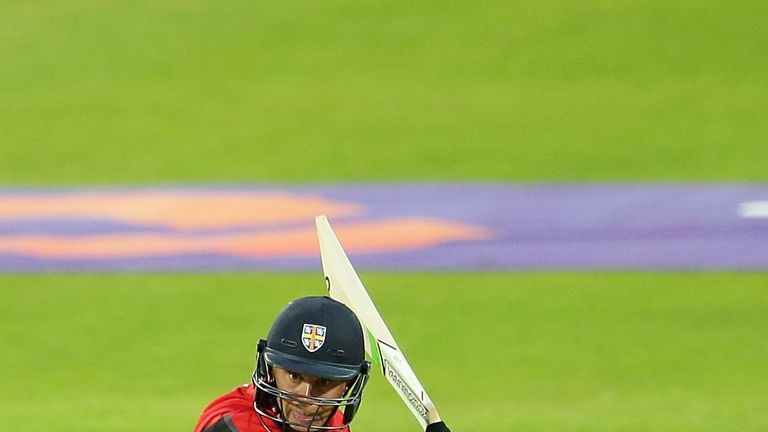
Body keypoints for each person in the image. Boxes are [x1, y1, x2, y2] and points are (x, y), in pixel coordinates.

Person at [194, 296, 371, 432]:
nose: (306, 399)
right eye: (294, 376)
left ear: (348, 385)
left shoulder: (334, 424)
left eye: (324, 382)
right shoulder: (235, 425)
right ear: (271, 370)